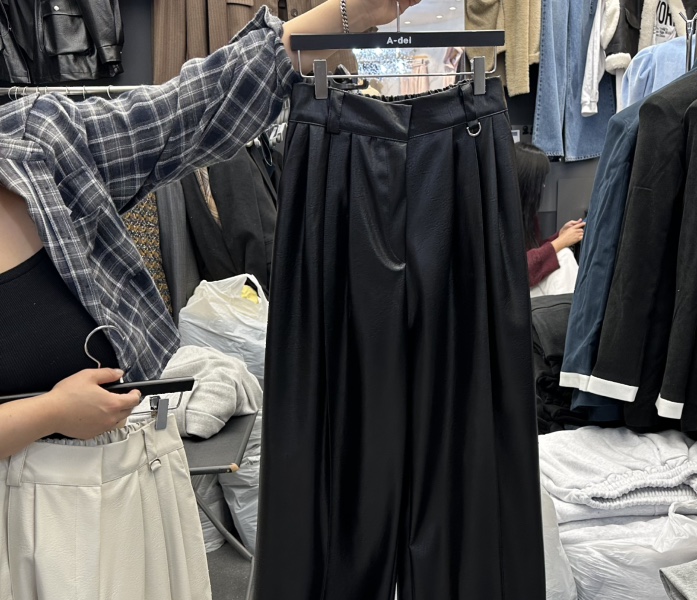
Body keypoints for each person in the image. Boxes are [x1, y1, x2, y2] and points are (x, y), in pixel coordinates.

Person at [0, 0, 420, 460]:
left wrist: (353, 12)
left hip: (136, 469)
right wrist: (50, 413)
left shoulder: (36, 142)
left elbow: (190, 109)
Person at [513, 142, 585, 295]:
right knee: (564, 257)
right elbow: (515, 271)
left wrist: (559, 236)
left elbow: (534, 252)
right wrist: (560, 242)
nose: (543, 187)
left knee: (563, 254)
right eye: (541, 182)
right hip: (509, 297)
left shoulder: (526, 216)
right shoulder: (496, 221)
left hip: (521, 291)